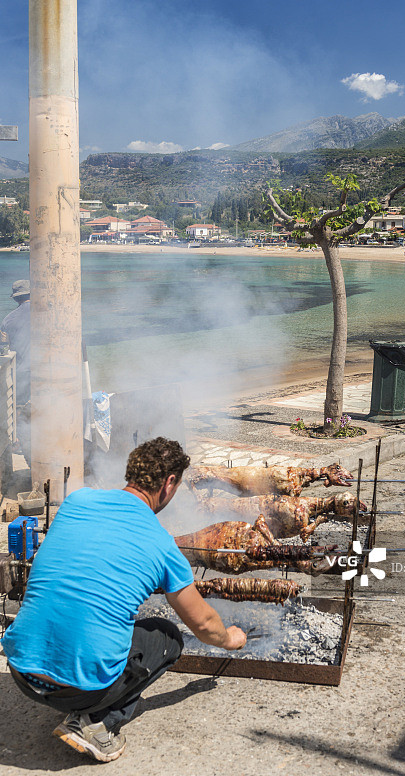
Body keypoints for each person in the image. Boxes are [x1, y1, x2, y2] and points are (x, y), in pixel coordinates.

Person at [1, 437, 247, 763]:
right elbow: (202, 623)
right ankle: (96, 722)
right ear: (169, 483)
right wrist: (229, 638)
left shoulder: (77, 501)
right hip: (78, 692)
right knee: (168, 637)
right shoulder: (161, 544)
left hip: (21, 670)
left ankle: (73, 690)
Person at [0, 279, 31, 459]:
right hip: (44, 370)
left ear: (15, 298)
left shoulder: (7, 320)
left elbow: (4, 347)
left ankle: (18, 440)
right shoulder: (44, 313)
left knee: (18, 407)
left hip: (20, 371)